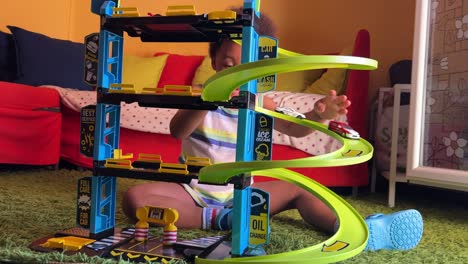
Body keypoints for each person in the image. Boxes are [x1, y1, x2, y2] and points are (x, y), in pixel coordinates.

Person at [122, 8, 423, 252]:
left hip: (244, 193)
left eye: (246, 68)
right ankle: (221, 219)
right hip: (193, 191)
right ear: (213, 61)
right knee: (135, 198)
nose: (235, 75)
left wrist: (318, 116)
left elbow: (293, 128)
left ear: (261, 69)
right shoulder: (200, 93)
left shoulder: (262, 101)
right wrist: (206, 101)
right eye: (228, 65)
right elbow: (178, 131)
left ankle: (365, 229)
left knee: (299, 188)